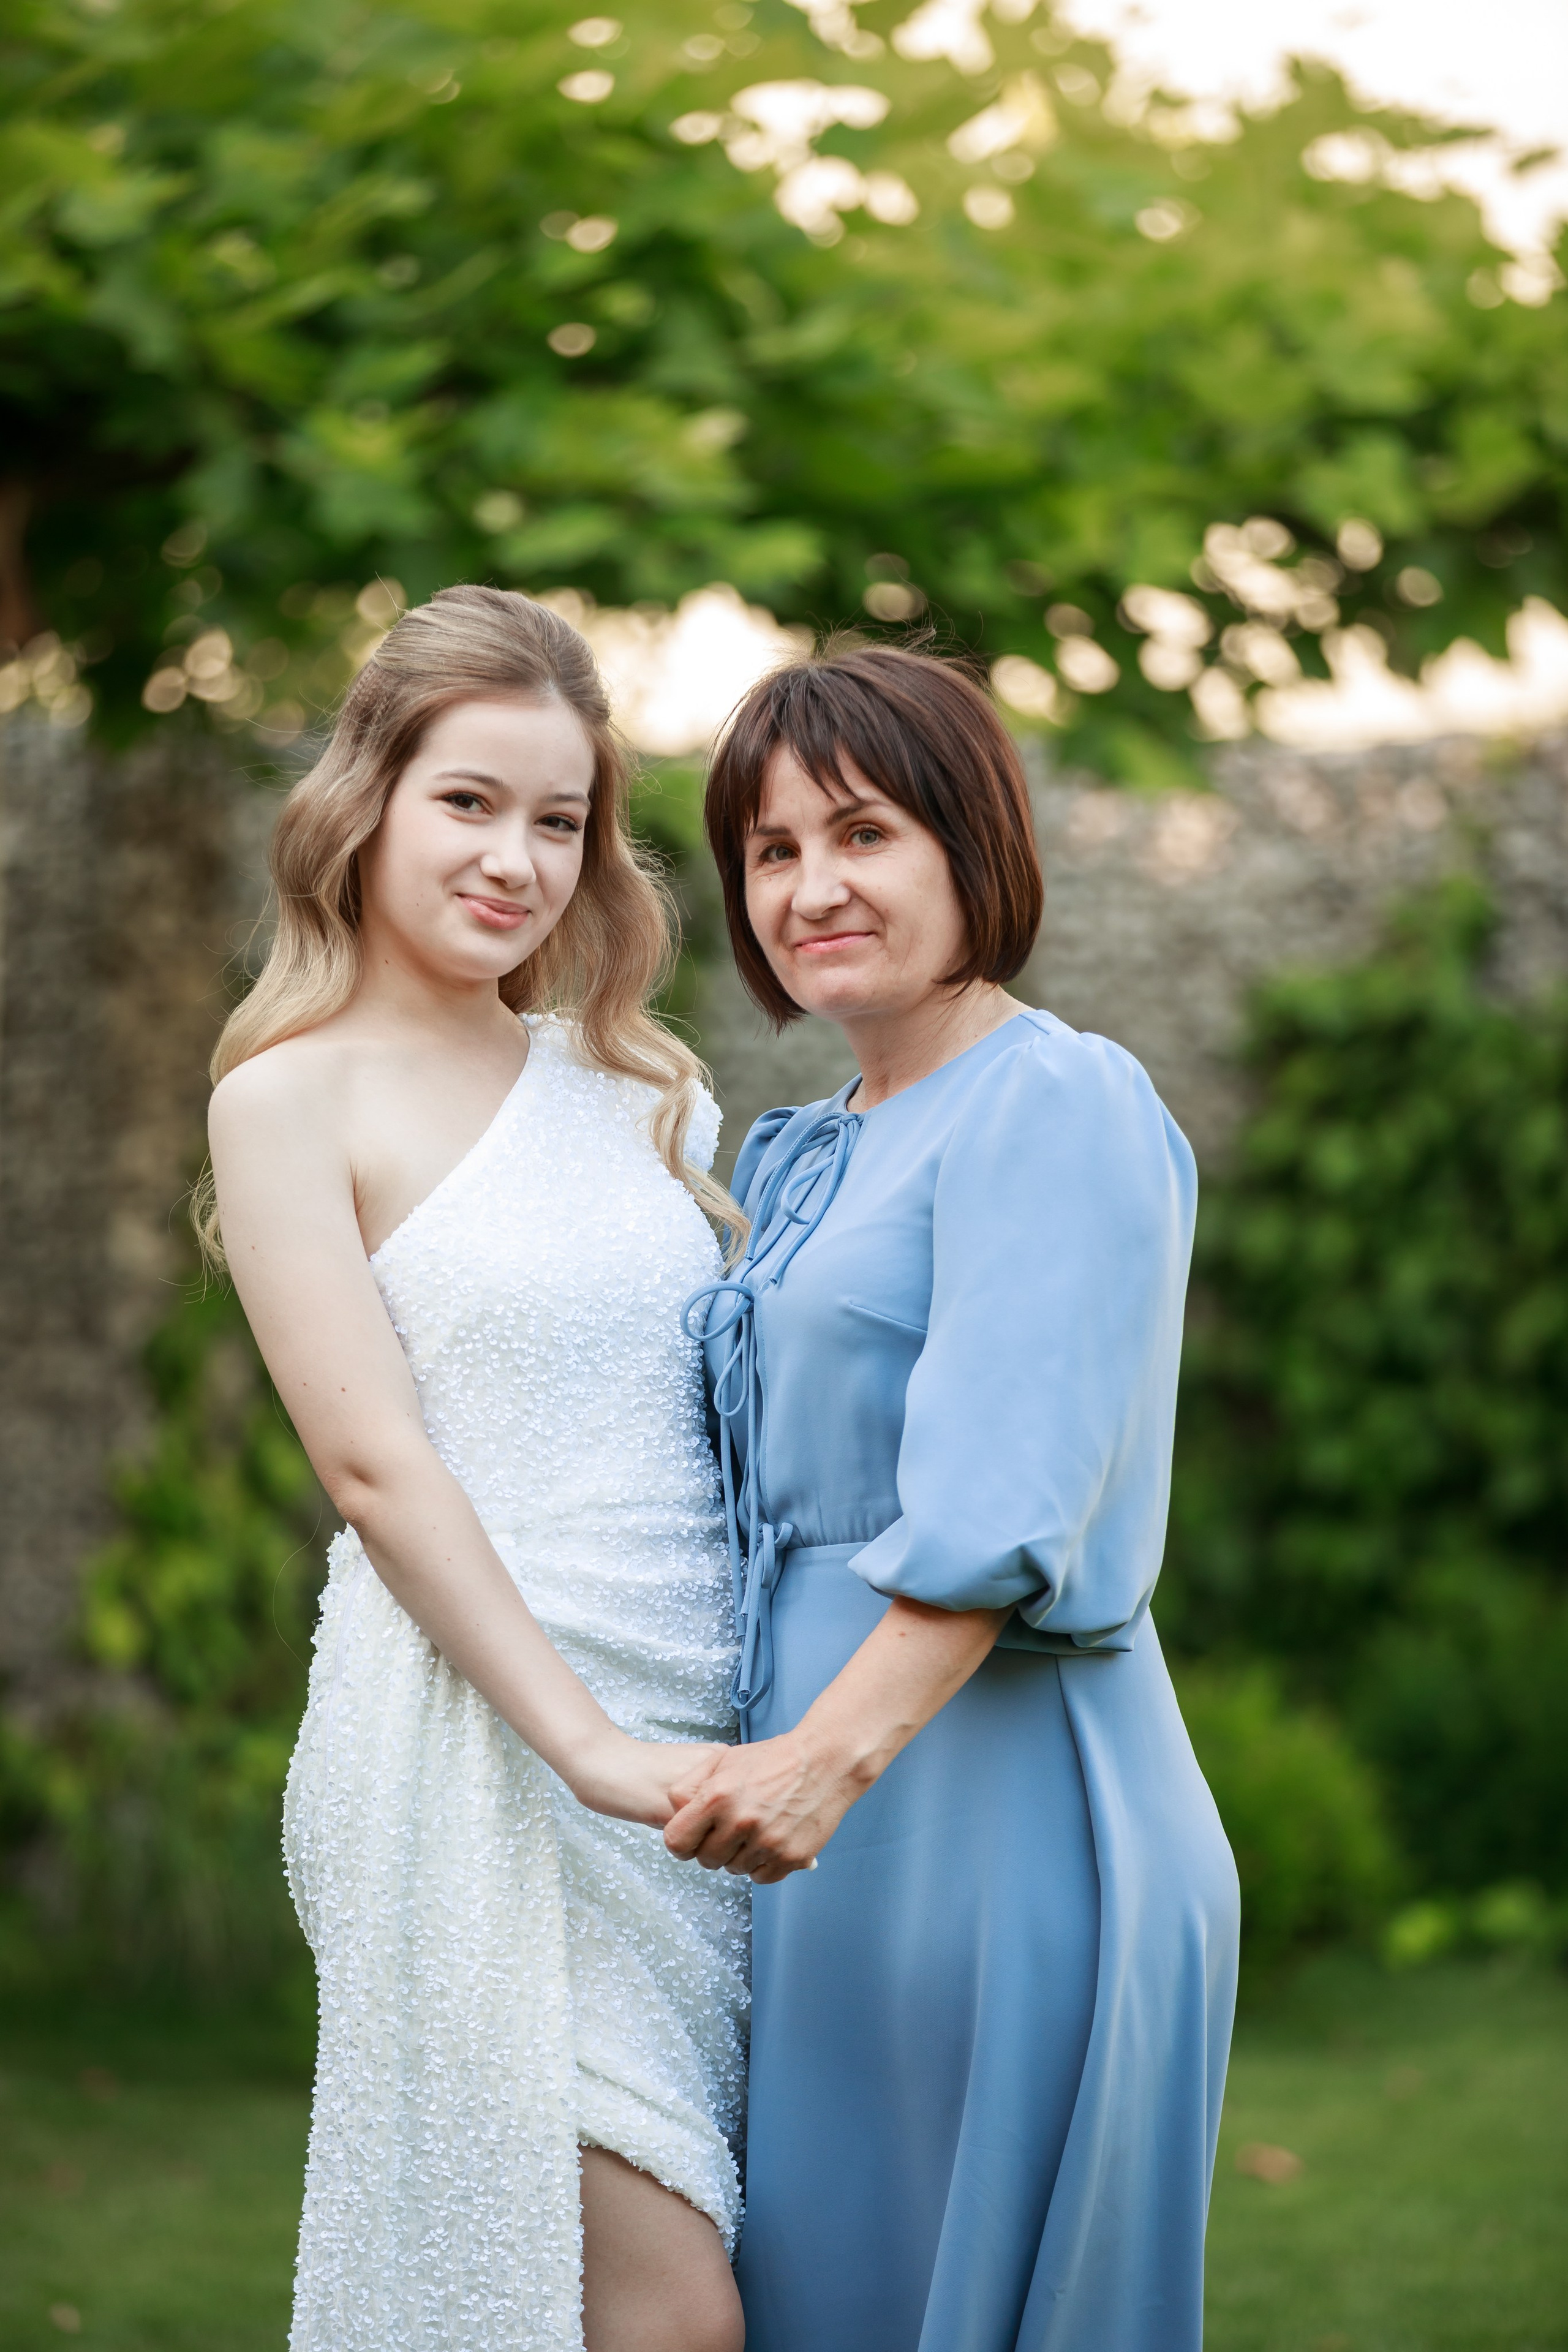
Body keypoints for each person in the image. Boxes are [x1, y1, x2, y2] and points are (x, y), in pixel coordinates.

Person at [669, 643, 1240, 2352]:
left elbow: (1006, 1499)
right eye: (771, 851)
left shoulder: (1052, 1098)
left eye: (862, 833)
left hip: (974, 1801)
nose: (811, 887)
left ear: (968, 843)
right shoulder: (799, 1148)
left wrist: (822, 1766)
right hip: (812, 1825)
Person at [201, 587, 749, 2352]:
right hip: (484, 1746)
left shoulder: (635, 1085)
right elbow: (374, 1467)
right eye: (470, 801)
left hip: (700, 1733)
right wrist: (582, 1744)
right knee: (672, 2316)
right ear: (368, 797)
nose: (516, 858)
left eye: (560, 820)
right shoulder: (292, 1099)